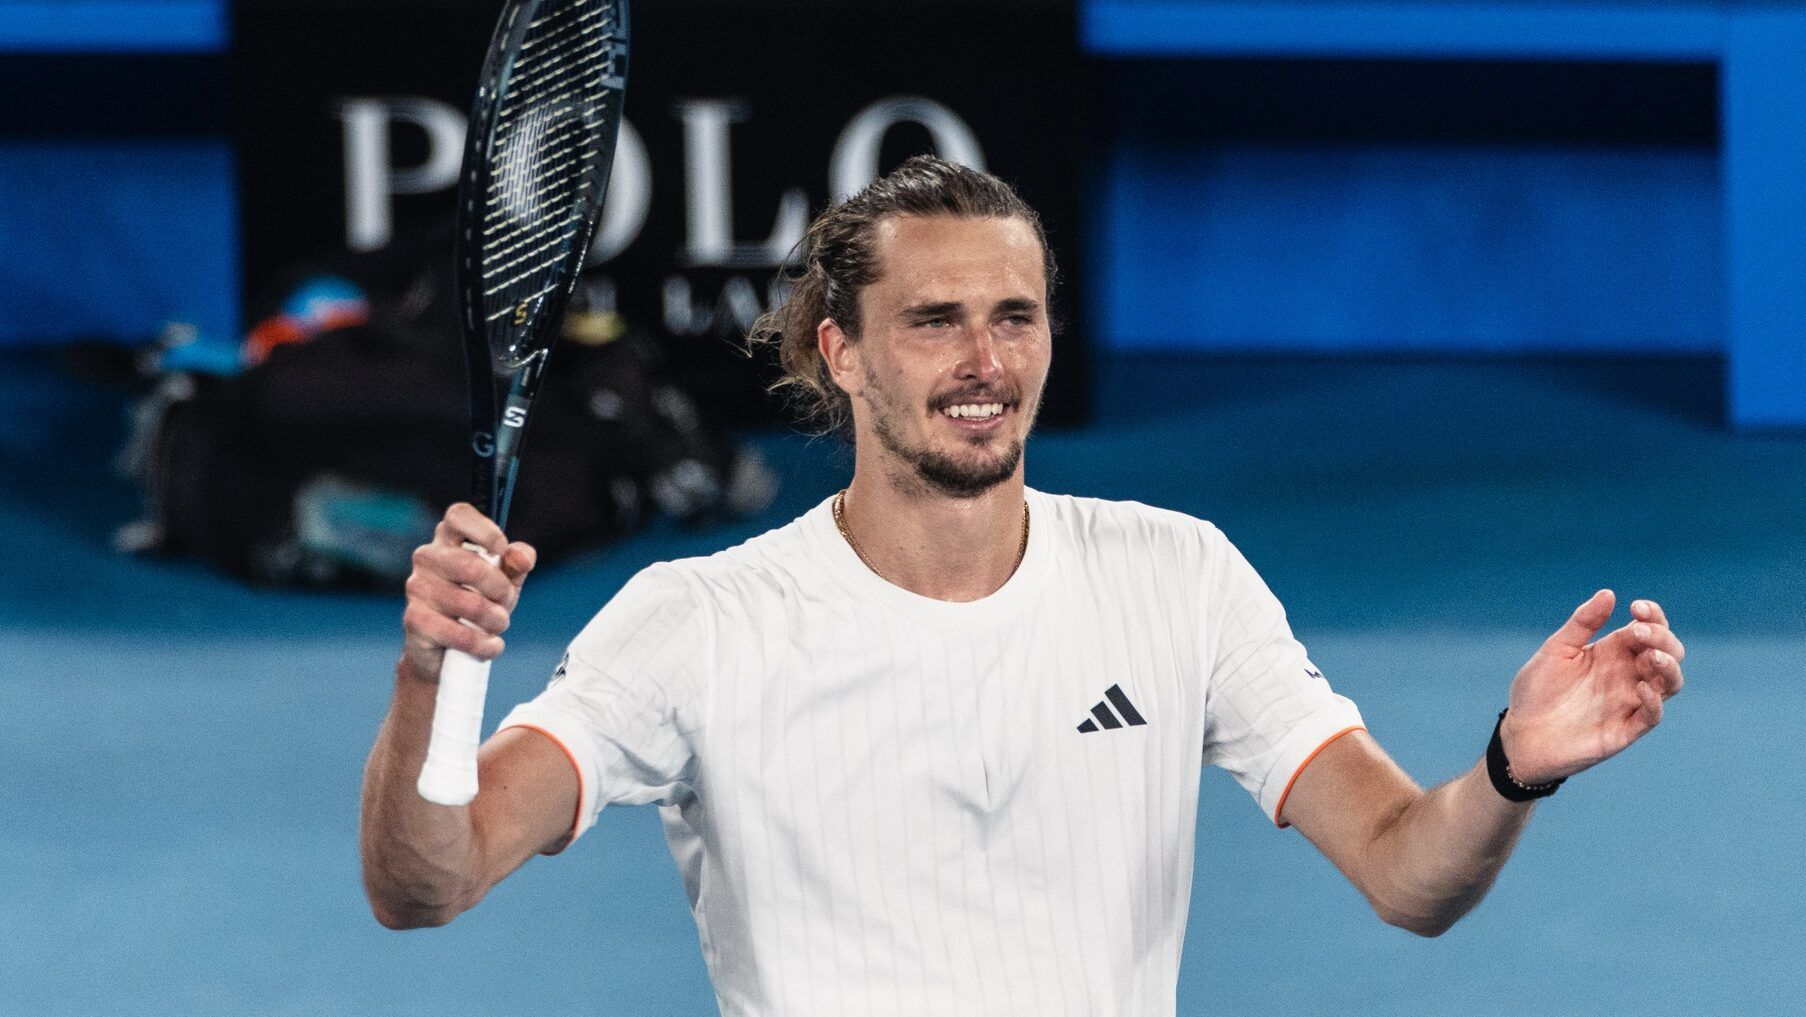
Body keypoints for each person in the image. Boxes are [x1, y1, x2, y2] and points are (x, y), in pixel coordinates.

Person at [359, 156, 1686, 1016]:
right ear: (846, 352)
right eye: (933, 320)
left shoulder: (1178, 574)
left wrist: (1512, 766)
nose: (983, 359)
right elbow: (427, 881)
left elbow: (1408, 875)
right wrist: (432, 679)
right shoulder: (696, 623)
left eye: (1015, 315)